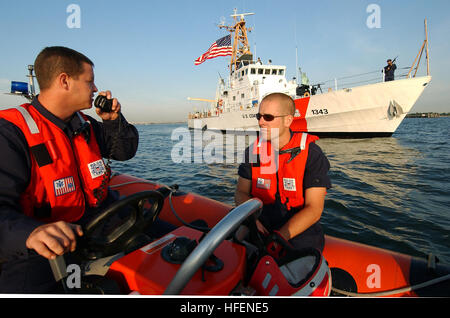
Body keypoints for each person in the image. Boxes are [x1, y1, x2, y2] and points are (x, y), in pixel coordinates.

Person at [0, 46, 141, 293]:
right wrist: (30, 233)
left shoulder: (87, 126)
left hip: (101, 223)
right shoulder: (12, 134)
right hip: (45, 247)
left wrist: (113, 121)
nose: (96, 89)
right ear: (64, 81)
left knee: (174, 241)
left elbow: (124, 152)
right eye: (90, 81)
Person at [235, 93, 331, 253]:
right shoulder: (253, 151)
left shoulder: (311, 153)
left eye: (268, 117)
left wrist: (280, 236)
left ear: (288, 120)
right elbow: (241, 192)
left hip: (297, 230)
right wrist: (252, 219)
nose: (260, 122)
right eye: (259, 116)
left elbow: (314, 209)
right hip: (259, 222)